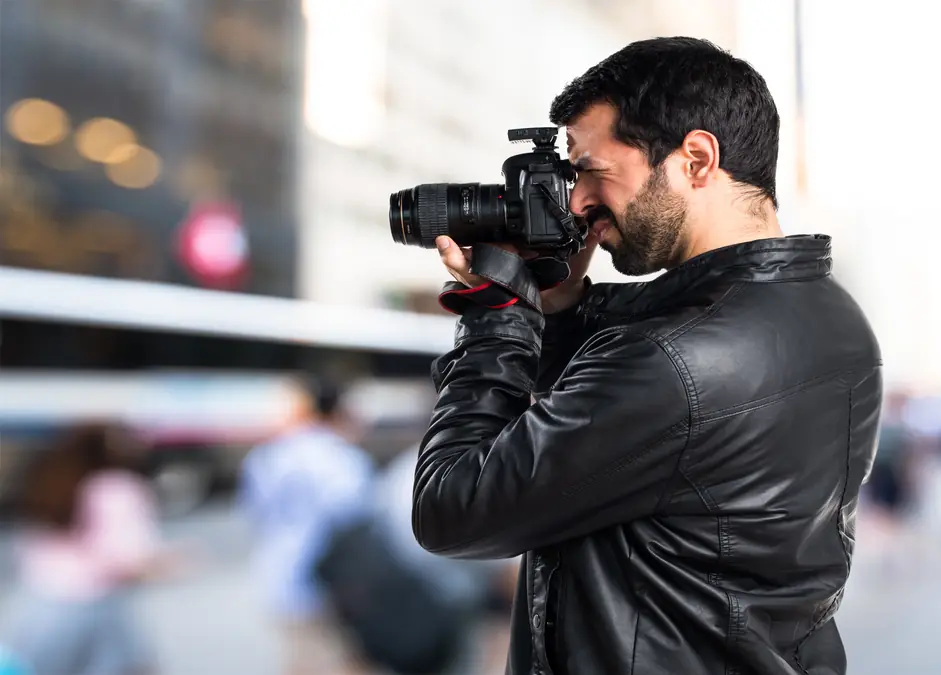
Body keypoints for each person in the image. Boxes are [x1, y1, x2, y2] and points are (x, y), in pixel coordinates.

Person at [413, 37, 883, 675]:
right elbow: (626, 457)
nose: (576, 202)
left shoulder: (678, 361)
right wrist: (560, 306)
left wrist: (496, 314)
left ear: (694, 159)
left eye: (593, 171)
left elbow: (451, 508)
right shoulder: (831, 317)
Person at [4, 422, 174, 675]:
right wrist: (173, 562)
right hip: (97, 607)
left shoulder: (48, 478)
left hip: (42, 608)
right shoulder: (116, 487)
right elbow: (129, 560)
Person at [238, 377, 374, 675]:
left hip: (279, 574)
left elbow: (255, 514)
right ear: (341, 411)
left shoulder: (266, 455)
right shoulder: (343, 458)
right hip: (330, 583)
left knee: (301, 661)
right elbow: (356, 524)